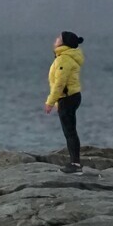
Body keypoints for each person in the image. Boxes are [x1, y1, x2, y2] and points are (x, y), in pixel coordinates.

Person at [44, 30, 85, 175]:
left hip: (68, 98)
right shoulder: (65, 57)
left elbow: (60, 83)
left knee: (70, 132)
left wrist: (50, 102)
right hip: (71, 97)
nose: (55, 40)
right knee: (70, 131)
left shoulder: (63, 59)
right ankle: (75, 163)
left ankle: (75, 165)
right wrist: (57, 103)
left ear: (64, 43)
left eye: (58, 38)